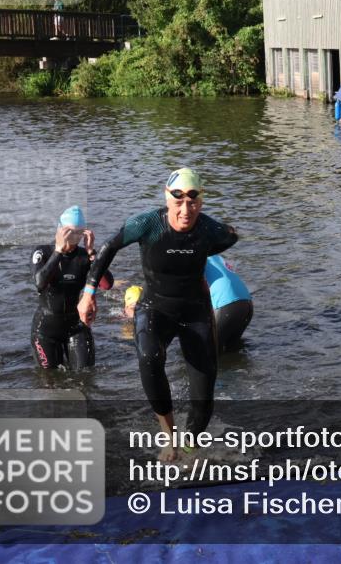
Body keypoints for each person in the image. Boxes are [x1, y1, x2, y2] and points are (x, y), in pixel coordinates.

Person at [78, 168, 237, 461]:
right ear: (167, 198)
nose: (185, 209)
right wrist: (88, 294)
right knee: (149, 357)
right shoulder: (147, 224)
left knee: (203, 397)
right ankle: (169, 437)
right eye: (178, 201)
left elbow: (231, 235)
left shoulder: (210, 230)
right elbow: (109, 248)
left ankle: (189, 449)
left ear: (201, 201)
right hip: (155, 308)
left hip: (195, 312)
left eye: (193, 201)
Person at [31, 206, 112, 370]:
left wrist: (92, 254)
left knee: (85, 378)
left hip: (76, 326)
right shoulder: (43, 252)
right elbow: (39, 284)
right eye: (69, 233)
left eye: (79, 233)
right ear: (60, 230)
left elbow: (107, 284)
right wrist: (58, 251)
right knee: (50, 382)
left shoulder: (84, 256)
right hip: (45, 330)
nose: (73, 238)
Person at [205, 255, 253, 352]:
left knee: (206, 353)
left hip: (227, 306)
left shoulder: (195, 257)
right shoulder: (215, 255)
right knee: (232, 351)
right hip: (246, 303)